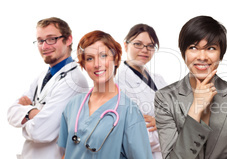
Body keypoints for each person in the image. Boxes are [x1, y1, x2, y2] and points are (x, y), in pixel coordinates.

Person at [154, 15, 227, 159]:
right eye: (193, 48)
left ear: (220, 54)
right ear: (183, 53)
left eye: (210, 48)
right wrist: (196, 108)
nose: (202, 57)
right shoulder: (165, 97)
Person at [57, 30, 152, 158]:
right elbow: (66, 152)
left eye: (103, 56)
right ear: (84, 65)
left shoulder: (130, 111)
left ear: (116, 59)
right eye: (90, 58)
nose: (97, 64)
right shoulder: (73, 105)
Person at [7, 17, 88, 159]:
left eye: (51, 39)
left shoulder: (74, 81)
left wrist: (25, 115)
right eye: (40, 40)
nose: (44, 46)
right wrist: (34, 112)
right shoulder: (44, 75)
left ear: (68, 40)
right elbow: (11, 112)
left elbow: (41, 132)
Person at [116, 24, 167, 159]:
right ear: (126, 46)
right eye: (138, 44)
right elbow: (138, 135)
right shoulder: (119, 83)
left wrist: (162, 122)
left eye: (150, 46)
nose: (145, 50)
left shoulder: (159, 79)